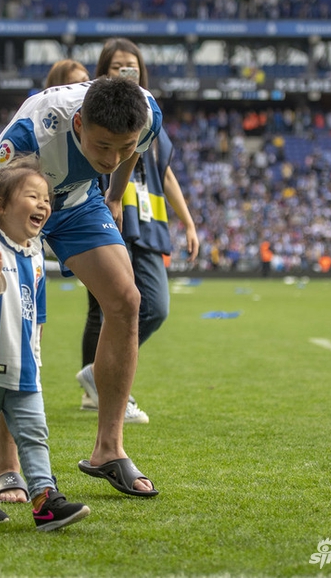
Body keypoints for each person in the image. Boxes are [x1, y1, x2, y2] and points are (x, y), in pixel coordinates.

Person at [0, 76, 161, 498]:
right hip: (19, 206)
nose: (113, 157)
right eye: (103, 146)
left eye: (124, 146)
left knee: (126, 300)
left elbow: (131, 155)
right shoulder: (34, 132)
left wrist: (116, 196)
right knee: (21, 325)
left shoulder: (149, 115)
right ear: (79, 123)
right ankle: (7, 465)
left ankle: (108, 449)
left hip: (78, 202)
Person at [0, 158, 90, 531]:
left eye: (47, 198)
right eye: (33, 196)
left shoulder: (36, 252)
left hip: (24, 365)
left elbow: (36, 312)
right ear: (1, 205)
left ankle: (45, 500)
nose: (44, 205)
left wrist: (37, 356)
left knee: (34, 432)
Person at [76, 38, 200, 423]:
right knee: (103, 308)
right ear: (103, 73)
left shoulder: (149, 118)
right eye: (117, 67)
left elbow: (165, 172)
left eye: (132, 66)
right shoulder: (97, 114)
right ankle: (97, 389)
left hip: (147, 220)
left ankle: (96, 376)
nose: (126, 71)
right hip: (109, 212)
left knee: (152, 306)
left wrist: (188, 220)